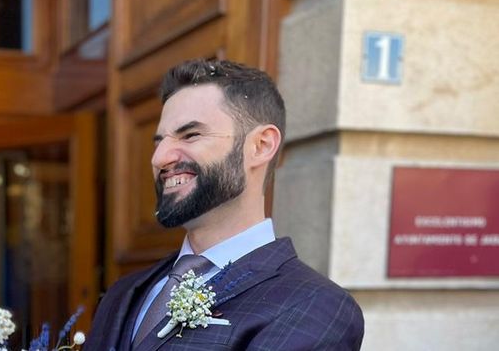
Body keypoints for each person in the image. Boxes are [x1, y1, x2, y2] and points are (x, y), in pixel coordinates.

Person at [87, 59, 364, 350]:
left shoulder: (316, 308)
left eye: (191, 135)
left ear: (261, 146)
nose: (160, 158)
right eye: (159, 142)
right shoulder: (125, 293)